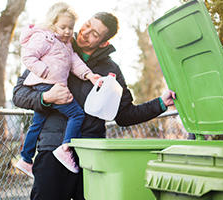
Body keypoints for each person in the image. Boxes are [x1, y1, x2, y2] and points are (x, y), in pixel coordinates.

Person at [13, 11, 176, 200]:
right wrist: (46, 97)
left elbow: (124, 115)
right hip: (52, 152)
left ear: (103, 42)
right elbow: (19, 94)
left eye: (95, 34)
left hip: (90, 156)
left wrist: (160, 104)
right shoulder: (53, 47)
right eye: (87, 25)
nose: (85, 33)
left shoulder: (111, 71)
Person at [15, 2, 101, 177]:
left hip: (51, 85)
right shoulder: (45, 38)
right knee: (76, 114)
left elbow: (75, 63)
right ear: (53, 24)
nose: (67, 31)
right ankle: (66, 148)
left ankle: (25, 159)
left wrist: (90, 75)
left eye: (70, 27)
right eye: (63, 27)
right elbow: (27, 55)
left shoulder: (66, 44)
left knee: (37, 124)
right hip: (46, 85)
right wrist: (43, 71)